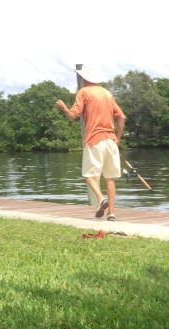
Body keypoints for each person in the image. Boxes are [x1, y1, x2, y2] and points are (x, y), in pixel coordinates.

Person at [56, 68, 126, 220]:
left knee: (88, 175)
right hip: (111, 140)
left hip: (95, 140)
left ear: (84, 78)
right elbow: (121, 117)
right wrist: (118, 138)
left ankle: (101, 199)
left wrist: (63, 108)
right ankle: (112, 213)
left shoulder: (83, 92)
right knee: (110, 178)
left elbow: (72, 116)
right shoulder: (108, 94)